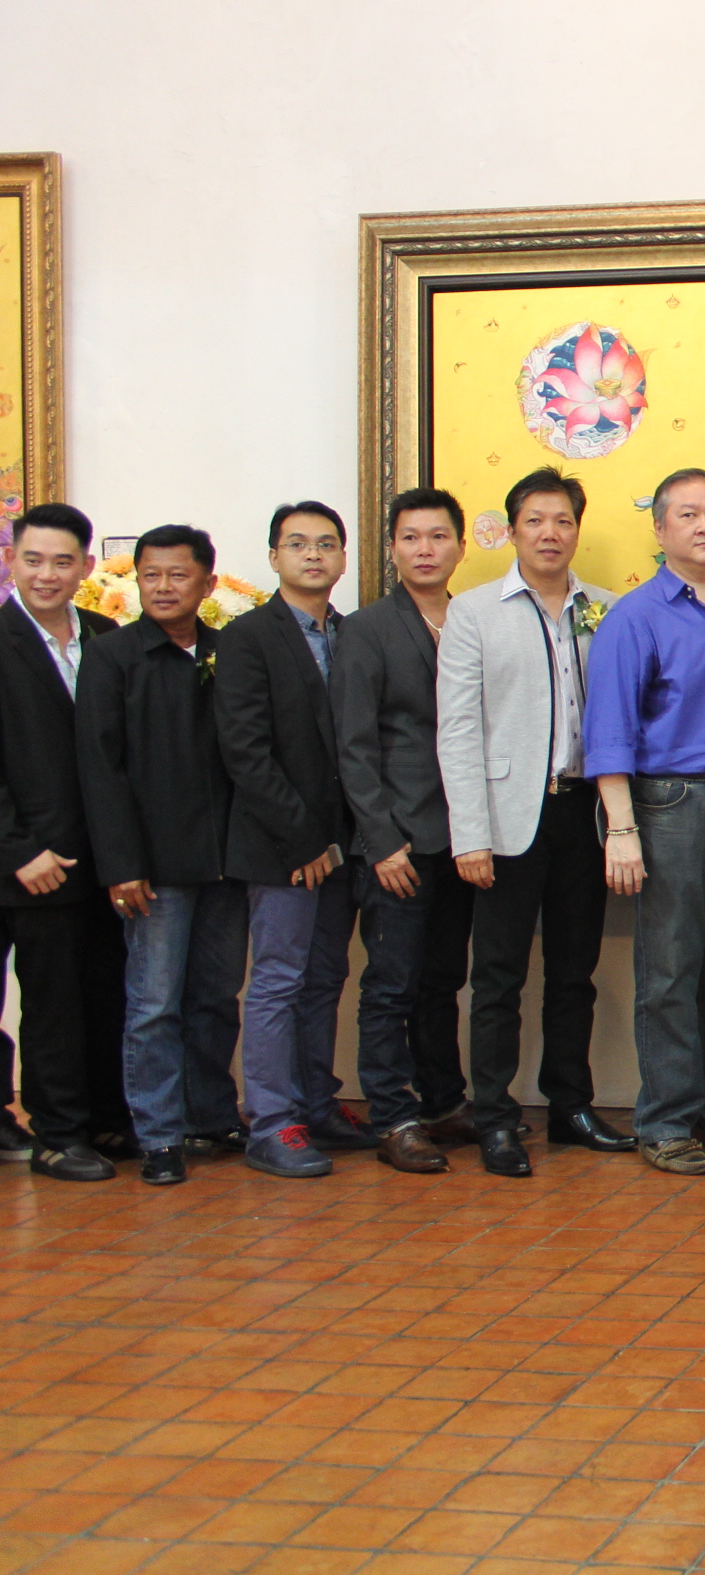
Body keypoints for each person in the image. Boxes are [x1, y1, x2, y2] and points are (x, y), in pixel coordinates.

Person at [437, 467, 629, 1177]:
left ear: (577, 529)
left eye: (563, 521)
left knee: (575, 972)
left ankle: (571, 1105)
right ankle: (494, 1116)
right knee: (498, 977)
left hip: (584, 813)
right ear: (513, 530)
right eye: (536, 521)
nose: (550, 533)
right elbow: (457, 730)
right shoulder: (474, 613)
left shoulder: (607, 610)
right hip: (509, 817)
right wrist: (470, 834)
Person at [586, 468, 705, 1175]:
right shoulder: (635, 616)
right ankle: (664, 1122)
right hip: (671, 805)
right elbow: (609, 728)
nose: (704, 526)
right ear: (660, 529)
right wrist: (621, 828)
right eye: (688, 514)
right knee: (669, 970)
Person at [78, 525, 248, 1185]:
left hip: (227, 861)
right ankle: (158, 1134)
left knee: (216, 998)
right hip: (153, 867)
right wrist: (121, 864)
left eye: (179, 575)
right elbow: (100, 768)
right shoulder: (113, 656)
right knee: (153, 1005)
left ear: (208, 583)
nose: (163, 587)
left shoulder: (230, 651)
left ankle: (211, 1114)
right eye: (151, 575)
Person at [218, 500, 377, 1178]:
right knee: (278, 981)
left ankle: (316, 1103)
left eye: (326, 544)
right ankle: (271, 1121)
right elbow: (245, 752)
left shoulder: (349, 632)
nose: (313, 555)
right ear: (274, 557)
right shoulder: (248, 636)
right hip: (282, 847)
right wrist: (304, 839)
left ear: (343, 557)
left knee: (325, 977)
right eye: (298, 543)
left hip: (343, 843)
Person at [334, 488, 473, 1173]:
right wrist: (381, 841)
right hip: (398, 840)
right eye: (411, 537)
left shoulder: (472, 619)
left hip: (463, 835)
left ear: (461, 547)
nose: (425, 549)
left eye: (438, 536)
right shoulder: (367, 629)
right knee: (391, 984)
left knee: (443, 978)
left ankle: (444, 1102)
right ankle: (393, 1114)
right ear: (391, 548)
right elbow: (354, 745)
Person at [0, 503, 131, 1181]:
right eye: (32, 560)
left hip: (102, 857)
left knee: (105, 991)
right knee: (51, 1004)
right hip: (30, 860)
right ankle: (56, 1135)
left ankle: (105, 1119)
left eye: (60, 561)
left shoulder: (106, 636)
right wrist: (18, 849)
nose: (46, 574)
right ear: (11, 562)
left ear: (85, 566)